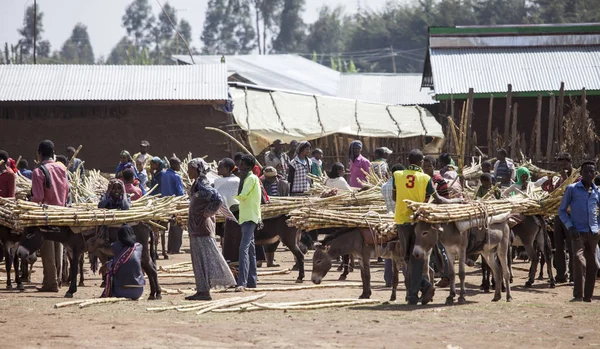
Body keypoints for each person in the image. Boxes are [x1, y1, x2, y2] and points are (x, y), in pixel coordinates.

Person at [393, 149, 461, 305]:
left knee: (408, 258)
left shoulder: (397, 175)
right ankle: (422, 288)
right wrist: (454, 203)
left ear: (408, 160)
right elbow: (437, 199)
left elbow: (394, 197)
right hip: (419, 222)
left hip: (402, 221)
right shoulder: (425, 178)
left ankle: (414, 294)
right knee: (417, 258)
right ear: (421, 162)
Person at [185, 158, 236, 300]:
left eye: (190, 168)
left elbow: (217, 198)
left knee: (205, 258)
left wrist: (208, 212)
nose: (188, 171)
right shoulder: (197, 183)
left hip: (202, 228)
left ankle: (204, 291)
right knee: (199, 260)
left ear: (197, 169)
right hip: (197, 227)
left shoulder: (202, 183)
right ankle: (202, 290)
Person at [30, 140, 69, 293]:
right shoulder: (62, 168)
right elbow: (67, 190)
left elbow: (38, 197)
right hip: (61, 213)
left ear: (39, 153)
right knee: (58, 246)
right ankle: (57, 280)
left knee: (47, 249)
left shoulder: (38, 171)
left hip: (46, 214)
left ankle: (50, 283)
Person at [558, 161, 600, 302]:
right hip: (577, 232)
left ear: (595, 174)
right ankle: (578, 295)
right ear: (581, 173)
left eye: (591, 171)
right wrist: (570, 227)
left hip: (593, 233)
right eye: (586, 171)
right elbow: (562, 211)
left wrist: (598, 227)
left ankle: (588, 296)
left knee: (593, 265)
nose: (589, 174)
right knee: (578, 260)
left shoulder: (597, 191)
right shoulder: (572, 189)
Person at [543, 152, 579, 283]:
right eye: (560, 165)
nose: (563, 167)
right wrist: (551, 181)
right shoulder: (560, 177)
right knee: (558, 246)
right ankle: (560, 275)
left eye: (565, 164)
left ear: (570, 163)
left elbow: (572, 192)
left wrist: (565, 179)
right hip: (559, 215)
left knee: (572, 246)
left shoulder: (577, 177)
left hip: (572, 216)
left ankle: (574, 275)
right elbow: (553, 193)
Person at [233, 155, 262, 291]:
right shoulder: (252, 178)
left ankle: (242, 282)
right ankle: (252, 281)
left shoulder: (250, 179)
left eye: (243, 165)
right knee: (250, 250)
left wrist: (229, 197)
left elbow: (242, 196)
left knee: (243, 249)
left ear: (249, 167)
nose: (240, 167)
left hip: (249, 218)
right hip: (248, 216)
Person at [100, 224, 145, 300]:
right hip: (138, 291)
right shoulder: (139, 246)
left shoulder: (116, 246)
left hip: (121, 291)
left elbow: (113, 263)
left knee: (110, 271)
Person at [381, 163, 405, 287]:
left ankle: (388, 279)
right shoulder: (402, 186)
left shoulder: (384, 186)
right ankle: (407, 277)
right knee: (404, 250)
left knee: (390, 250)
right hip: (401, 220)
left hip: (388, 220)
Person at [162, 157, 186, 254]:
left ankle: (170, 248)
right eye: (179, 164)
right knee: (177, 225)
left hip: (165, 203)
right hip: (175, 203)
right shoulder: (176, 176)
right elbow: (180, 192)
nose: (180, 166)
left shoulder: (164, 174)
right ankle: (175, 248)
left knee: (171, 225)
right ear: (174, 165)